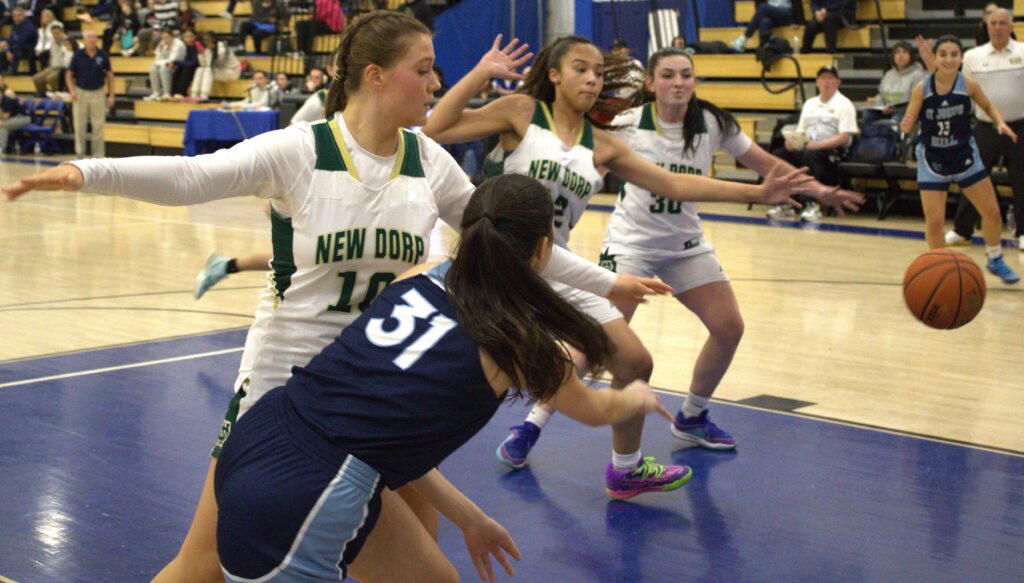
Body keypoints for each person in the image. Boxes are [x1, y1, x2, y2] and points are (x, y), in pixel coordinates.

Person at [4, 12, 667, 582]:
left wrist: (609, 282)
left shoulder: (427, 160)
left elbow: (508, 241)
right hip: (283, 392)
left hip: (381, 392)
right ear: (375, 74)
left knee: (422, 564)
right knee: (201, 562)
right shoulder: (302, 150)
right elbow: (191, 176)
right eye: (424, 68)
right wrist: (82, 172)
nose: (436, 83)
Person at [215, 173, 674, 581]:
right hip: (309, 491)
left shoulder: (416, 276)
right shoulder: (517, 341)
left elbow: (379, 430)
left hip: (267, 434)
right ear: (543, 249)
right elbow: (596, 411)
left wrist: (468, 517)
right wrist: (637, 397)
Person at [423, 35, 815, 488]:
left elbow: (674, 185)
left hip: (555, 265)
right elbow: (437, 129)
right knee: (460, 372)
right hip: (493, 262)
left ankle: (625, 469)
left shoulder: (604, 144)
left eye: (597, 73)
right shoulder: (523, 112)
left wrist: (758, 192)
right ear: (554, 74)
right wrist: (480, 72)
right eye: (580, 69)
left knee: (634, 361)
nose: (591, 79)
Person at [596, 47, 863, 452]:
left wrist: (820, 191)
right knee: (599, 343)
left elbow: (768, 165)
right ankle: (533, 424)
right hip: (631, 244)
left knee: (728, 327)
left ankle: (693, 416)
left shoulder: (713, 123)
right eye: (668, 75)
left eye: (686, 74)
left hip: (685, 245)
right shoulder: (626, 125)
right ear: (650, 83)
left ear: (695, 80)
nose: (679, 83)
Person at [900, 35, 1019, 284]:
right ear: (935, 57)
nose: (949, 59)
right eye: (943, 54)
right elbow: (909, 121)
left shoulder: (968, 84)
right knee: (934, 221)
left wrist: (999, 123)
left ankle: (995, 258)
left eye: (954, 54)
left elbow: (988, 106)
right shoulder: (922, 87)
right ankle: (940, 266)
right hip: (933, 160)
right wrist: (907, 124)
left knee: (992, 212)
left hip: (965, 156)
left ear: (961, 58)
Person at [943, 8, 1024, 251]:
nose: (998, 27)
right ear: (987, 27)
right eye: (993, 23)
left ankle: (1023, 232)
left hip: (1019, 126)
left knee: (1022, 181)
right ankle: (962, 230)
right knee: (973, 178)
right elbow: (963, 92)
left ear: (1011, 26)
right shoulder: (972, 57)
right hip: (985, 127)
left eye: (1002, 23)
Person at [770, 65, 857, 221]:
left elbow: (844, 137)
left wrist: (819, 145)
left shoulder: (845, 104)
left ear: (838, 82)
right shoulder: (809, 104)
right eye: (823, 78)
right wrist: (792, 141)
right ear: (817, 82)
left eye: (830, 78)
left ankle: (812, 204)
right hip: (807, 147)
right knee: (781, 155)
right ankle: (785, 202)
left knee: (813, 155)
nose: (826, 82)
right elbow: (801, 131)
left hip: (832, 152)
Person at [65, 29, 114, 158]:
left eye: (94, 37)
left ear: (97, 40)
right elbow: (69, 75)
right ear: (84, 40)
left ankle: (98, 156)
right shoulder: (77, 56)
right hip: (81, 93)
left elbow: (109, 76)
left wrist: (111, 95)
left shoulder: (103, 55)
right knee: (79, 126)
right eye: (89, 37)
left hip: (98, 93)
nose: (92, 40)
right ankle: (79, 154)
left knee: (98, 127)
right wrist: (72, 91)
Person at [862, 40, 925, 125]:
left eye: (904, 52)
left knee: (895, 121)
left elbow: (917, 101)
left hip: (906, 111)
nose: (901, 55)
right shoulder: (889, 74)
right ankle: (870, 137)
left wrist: (897, 109)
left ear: (911, 56)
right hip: (887, 109)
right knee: (867, 115)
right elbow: (882, 95)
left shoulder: (917, 75)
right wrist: (875, 101)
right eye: (897, 52)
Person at [189, 31, 241, 101]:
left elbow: (217, 62)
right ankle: (194, 94)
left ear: (213, 39)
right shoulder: (207, 49)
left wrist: (213, 51)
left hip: (231, 71)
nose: (205, 42)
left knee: (208, 70)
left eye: (207, 40)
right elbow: (204, 64)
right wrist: (201, 53)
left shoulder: (221, 47)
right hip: (220, 71)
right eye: (204, 40)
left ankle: (204, 96)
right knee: (200, 69)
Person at [731, 0, 796, 52]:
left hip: (786, 13)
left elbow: (797, 3)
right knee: (764, 22)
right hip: (771, 13)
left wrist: (798, 21)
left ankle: (744, 38)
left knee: (763, 7)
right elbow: (758, 4)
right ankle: (764, 49)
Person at [144, 29, 184, 101]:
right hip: (167, 65)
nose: (165, 40)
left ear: (172, 37)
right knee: (153, 68)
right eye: (163, 38)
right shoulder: (163, 44)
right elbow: (157, 59)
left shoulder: (178, 44)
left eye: (167, 37)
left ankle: (167, 93)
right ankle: (156, 92)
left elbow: (172, 60)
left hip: (179, 66)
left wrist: (161, 62)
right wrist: (160, 49)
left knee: (163, 68)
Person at [0, 7, 38, 75]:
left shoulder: (29, 26)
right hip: (17, 48)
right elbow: (11, 39)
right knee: (2, 53)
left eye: (19, 15)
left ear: (24, 15)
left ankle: (13, 72)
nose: (16, 18)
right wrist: (7, 50)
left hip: (29, 50)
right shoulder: (15, 26)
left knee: (16, 48)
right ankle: (2, 73)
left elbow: (20, 40)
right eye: (14, 16)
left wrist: (6, 44)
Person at [32, 23, 65, 94]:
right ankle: (43, 93)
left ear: (62, 33)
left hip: (62, 67)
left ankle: (58, 93)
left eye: (57, 33)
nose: (55, 35)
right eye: (53, 34)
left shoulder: (66, 42)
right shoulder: (52, 42)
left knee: (50, 78)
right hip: (52, 66)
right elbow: (52, 55)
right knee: (36, 78)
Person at [0, 77, 31, 152]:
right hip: (13, 118)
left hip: (23, 118)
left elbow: (5, 117)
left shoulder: (7, 100)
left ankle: (1, 147)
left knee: (2, 125)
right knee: (3, 125)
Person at [171, 28, 199, 98]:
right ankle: (173, 93)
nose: (188, 39)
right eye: (186, 36)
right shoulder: (182, 46)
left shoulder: (197, 45)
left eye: (190, 36)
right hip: (185, 65)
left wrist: (176, 62)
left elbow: (194, 62)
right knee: (178, 70)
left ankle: (181, 93)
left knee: (186, 69)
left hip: (196, 66)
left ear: (195, 37)